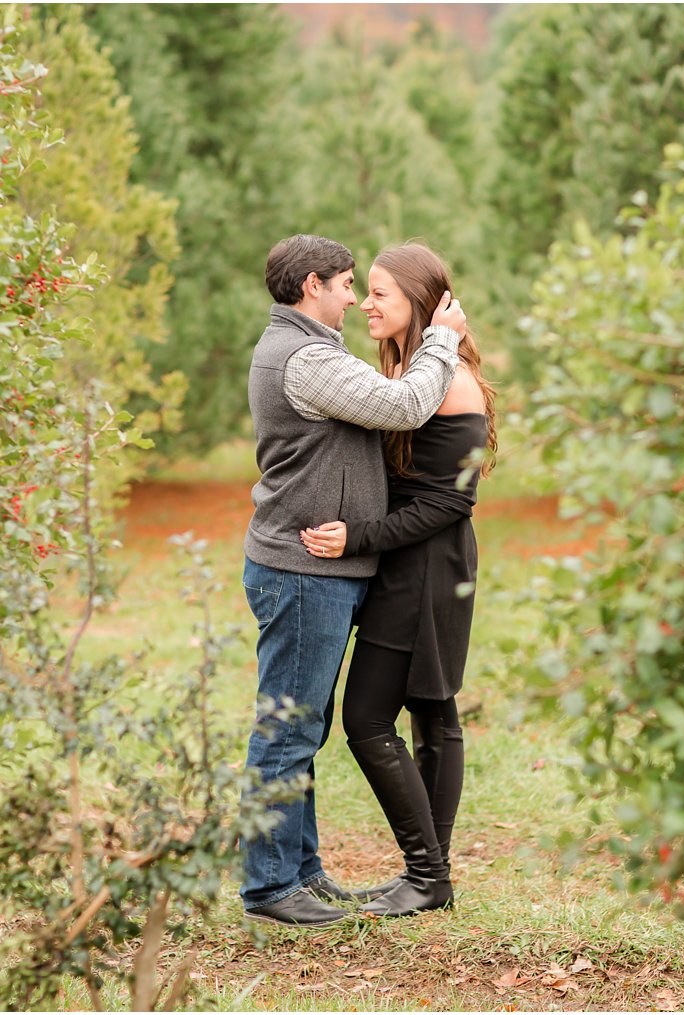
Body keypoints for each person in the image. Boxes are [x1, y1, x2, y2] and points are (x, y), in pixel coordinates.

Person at [240, 234, 468, 928]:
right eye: (345, 282)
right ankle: (271, 885)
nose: (353, 296)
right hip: (304, 570)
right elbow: (402, 407)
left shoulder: (310, 350)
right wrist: (441, 340)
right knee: (287, 728)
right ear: (312, 286)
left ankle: (299, 870)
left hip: (317, 570)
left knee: (302, 724)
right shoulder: (306, 358)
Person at [299, 242, 497, 919]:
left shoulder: (452, 383)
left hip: (425, 571)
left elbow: (450, 502)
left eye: (379, 292)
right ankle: (431, 878)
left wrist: (359, 537)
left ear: (418, 302)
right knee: (433, 716)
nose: (367, 303)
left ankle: (427, 872)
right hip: (415, 568)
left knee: (368, 718)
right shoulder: (415, 374)